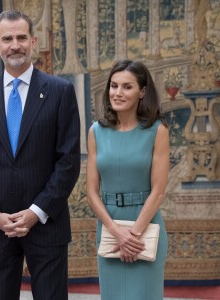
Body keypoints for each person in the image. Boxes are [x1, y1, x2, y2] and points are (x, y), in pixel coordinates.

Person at [0, 10, 80, 300]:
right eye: (7, 38)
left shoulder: (60, 91)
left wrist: (35, 213)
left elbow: (68, 161)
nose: (15, 45)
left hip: (46, 225)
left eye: (21, 37)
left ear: (33, 41)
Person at [86, 59, 169, 299]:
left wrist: (133, 235)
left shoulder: (157, 130)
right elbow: (91, 192)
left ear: (142, 91)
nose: (117, 93)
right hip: (109, 227)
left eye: (126, 87)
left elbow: (159, 191)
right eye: (113, 86)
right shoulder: (96, 132)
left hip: (145, 227)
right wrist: (116, 232)